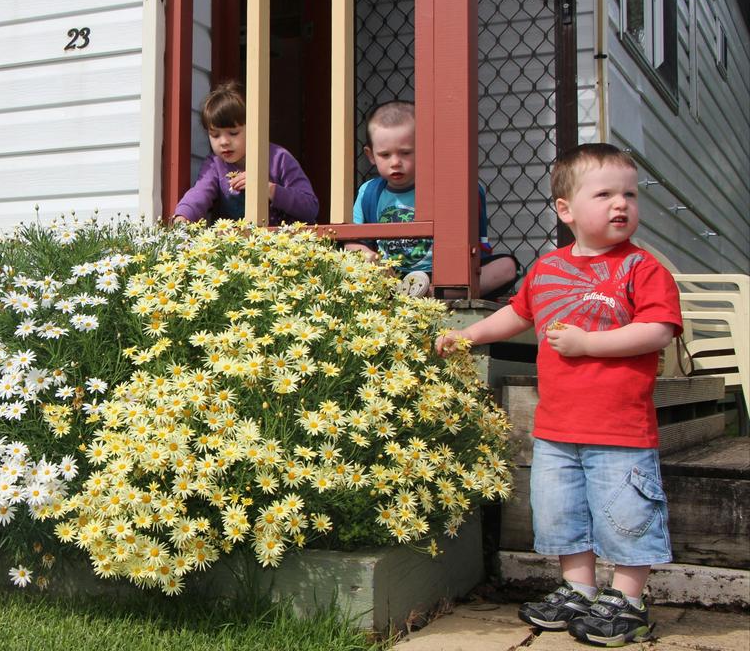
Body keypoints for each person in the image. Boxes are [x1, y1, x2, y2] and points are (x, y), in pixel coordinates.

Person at [436, 143, 682, 647]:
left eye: (630, 195)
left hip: (620, 430)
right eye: (606, 194)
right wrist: (469, 335)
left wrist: (589, 343)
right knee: (561, 512)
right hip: (556, 428)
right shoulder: (547, 268)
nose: (621, 205)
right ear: (565, 209)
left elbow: (657, 330)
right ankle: (579, 590)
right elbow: (518, 314)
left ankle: (628, 601)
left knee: (626, 515)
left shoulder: (643, 269)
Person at [342, 100, 518, 298]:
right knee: (354, 263)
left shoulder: (443, 190)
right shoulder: (370, 192)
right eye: (385, 155)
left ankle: (429, 293)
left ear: (425, 149)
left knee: (508, 267)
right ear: (371, 155)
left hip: (444, 276)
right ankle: (410, 293)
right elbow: (352, 241)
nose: (395, 162)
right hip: (392, 274)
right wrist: (368, 255)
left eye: (405, 153)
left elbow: (471, 242)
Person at [172, 81, 319, 226]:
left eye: (233, 133)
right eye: (215, 135)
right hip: (240, 246)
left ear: (254, 129)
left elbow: (310, 207)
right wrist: (183, 216)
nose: (223, 141)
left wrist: (268, 189)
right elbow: (200, 193)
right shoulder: (215, 164)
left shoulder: (278, 159)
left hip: (287, 245)